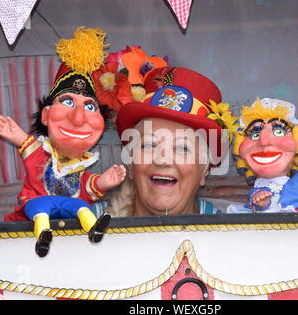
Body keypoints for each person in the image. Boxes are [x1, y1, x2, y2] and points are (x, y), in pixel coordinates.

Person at [0, 27, 126, 257]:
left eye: (90, 107)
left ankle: (94, 228)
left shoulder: (80, 163)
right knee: (39, 208)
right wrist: (17, 136)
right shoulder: (40, 151)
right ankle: (43, 235)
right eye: (67, 103)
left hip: (70, 224)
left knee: (82, 208)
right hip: (38, 205)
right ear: (46, 115)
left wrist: (103, 182)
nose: (79, 117)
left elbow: (85, 185)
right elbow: (27, 146)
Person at [93, 66, 237, 217]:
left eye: (182, 148)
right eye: (149, 145)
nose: (162, 160)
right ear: (131, 164)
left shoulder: (229, 233)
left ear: (204, 171)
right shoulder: (85, 225)